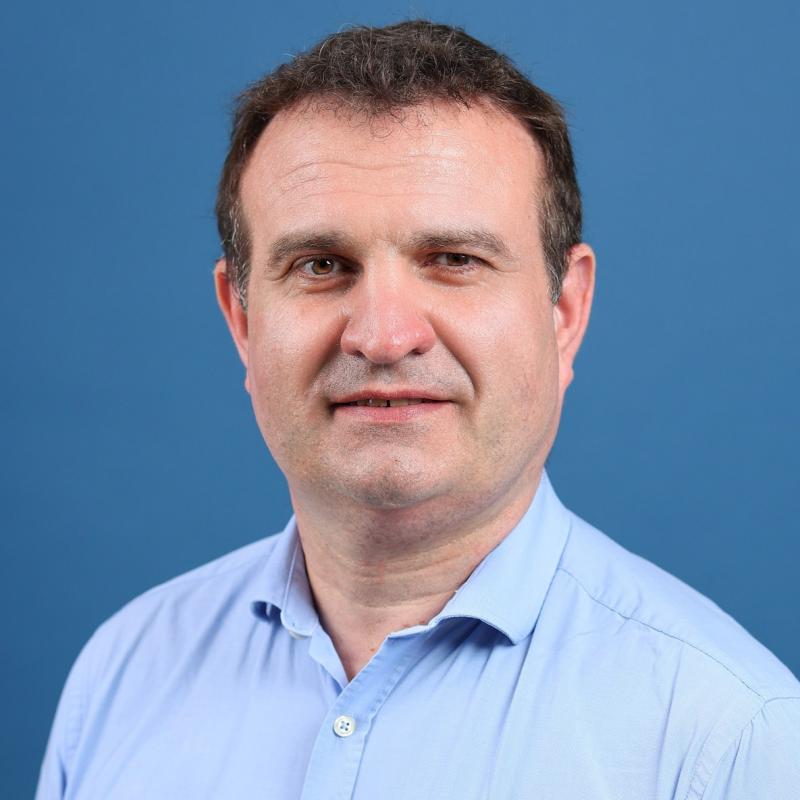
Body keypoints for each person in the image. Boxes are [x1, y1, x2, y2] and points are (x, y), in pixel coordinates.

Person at [36, 20, 799, 800]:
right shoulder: (121, 678)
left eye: (454, 260)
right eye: (322, 265)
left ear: (565, 311)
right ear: (242, 319)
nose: (383, 336)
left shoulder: (730, 741)